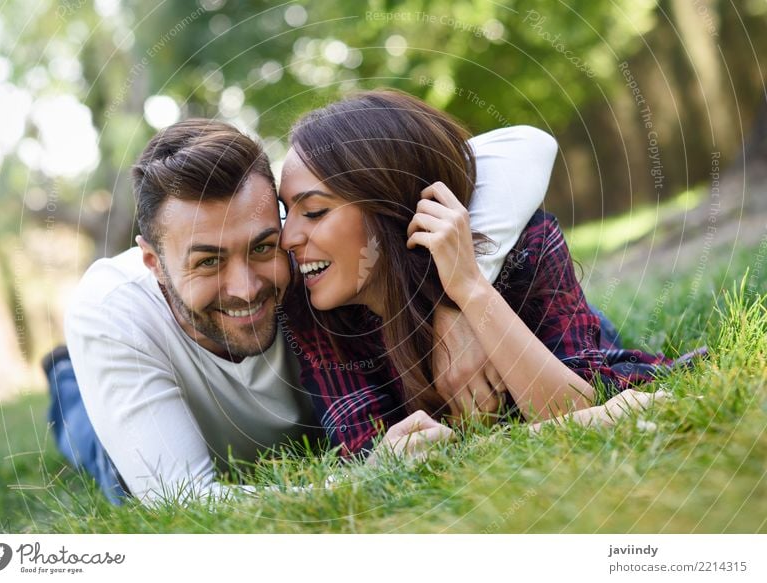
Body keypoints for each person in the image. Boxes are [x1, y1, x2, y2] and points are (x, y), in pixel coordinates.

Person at [44, 115, 560, 505]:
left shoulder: (305, 254)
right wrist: (365, 475)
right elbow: (185, 505)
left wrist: (446, 305)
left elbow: (525, 147)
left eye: (263, 247)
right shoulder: (113, 313)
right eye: (208, 262)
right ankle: (64, 378)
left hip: (312, 420)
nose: (245, 287)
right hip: (135, 404)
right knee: (95, 446)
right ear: (154, 262)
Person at [278, 90, 699, 458]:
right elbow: (374, 457)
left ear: (391, 206)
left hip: (570, 340)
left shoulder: (527, 248)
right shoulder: (311, 310)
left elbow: (576, 405)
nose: (288, 238)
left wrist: (468, 291)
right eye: (287, 212)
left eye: (314, 211)